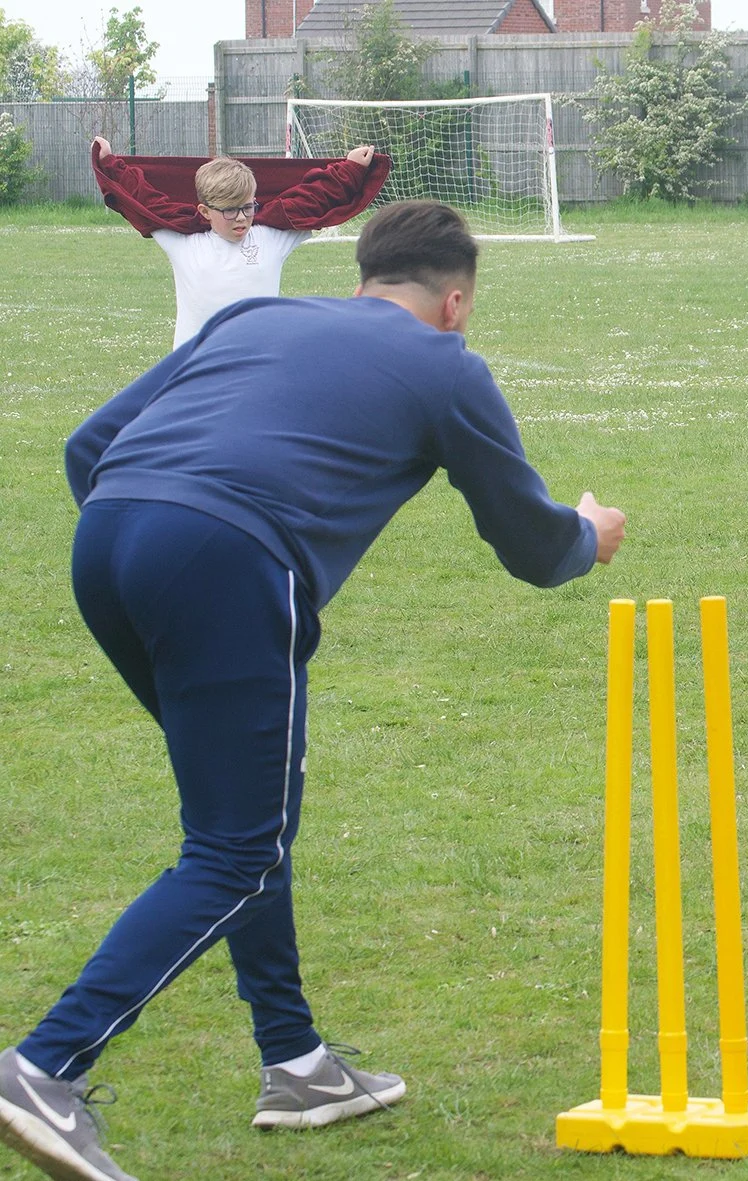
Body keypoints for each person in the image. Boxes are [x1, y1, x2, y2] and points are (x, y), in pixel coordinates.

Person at [0, 200, 626, 1181]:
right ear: (456, 302)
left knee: (242, 826)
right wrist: (590, 532)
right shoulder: (446, 364)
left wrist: (161, 538)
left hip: (110, 536)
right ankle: (44, 1066)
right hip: (227, 560)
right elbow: (534, 548)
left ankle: (295, 1062)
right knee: (237, 849)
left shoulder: (259, 316)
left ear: (360, 279)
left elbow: (89, 445)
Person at [91, 138, 389, 347]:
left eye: (248, 207)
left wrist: (350, 169)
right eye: (230, 211)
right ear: (204, 211)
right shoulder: (184, 243)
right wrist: (109, 163)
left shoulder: (270, 236)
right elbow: (142, 200)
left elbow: (314, 199)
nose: (241, 218)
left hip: (257, 365)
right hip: (193, 367)